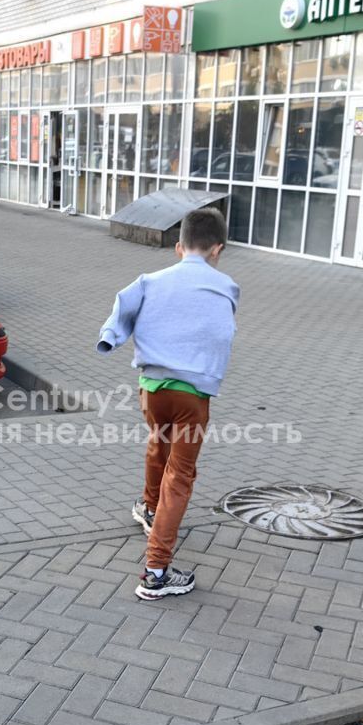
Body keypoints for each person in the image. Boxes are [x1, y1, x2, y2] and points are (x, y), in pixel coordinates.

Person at [97, 208, 240, 601]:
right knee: (181, 476)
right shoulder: (226, 286)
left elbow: (123, 305)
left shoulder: (150, 280)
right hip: (192, 396)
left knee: (158, 444)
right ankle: (156, 572)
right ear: (218, 249)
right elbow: (220, 331)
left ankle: (147, 507)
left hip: (152, 390)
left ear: (178, 247)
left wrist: (112, 335)